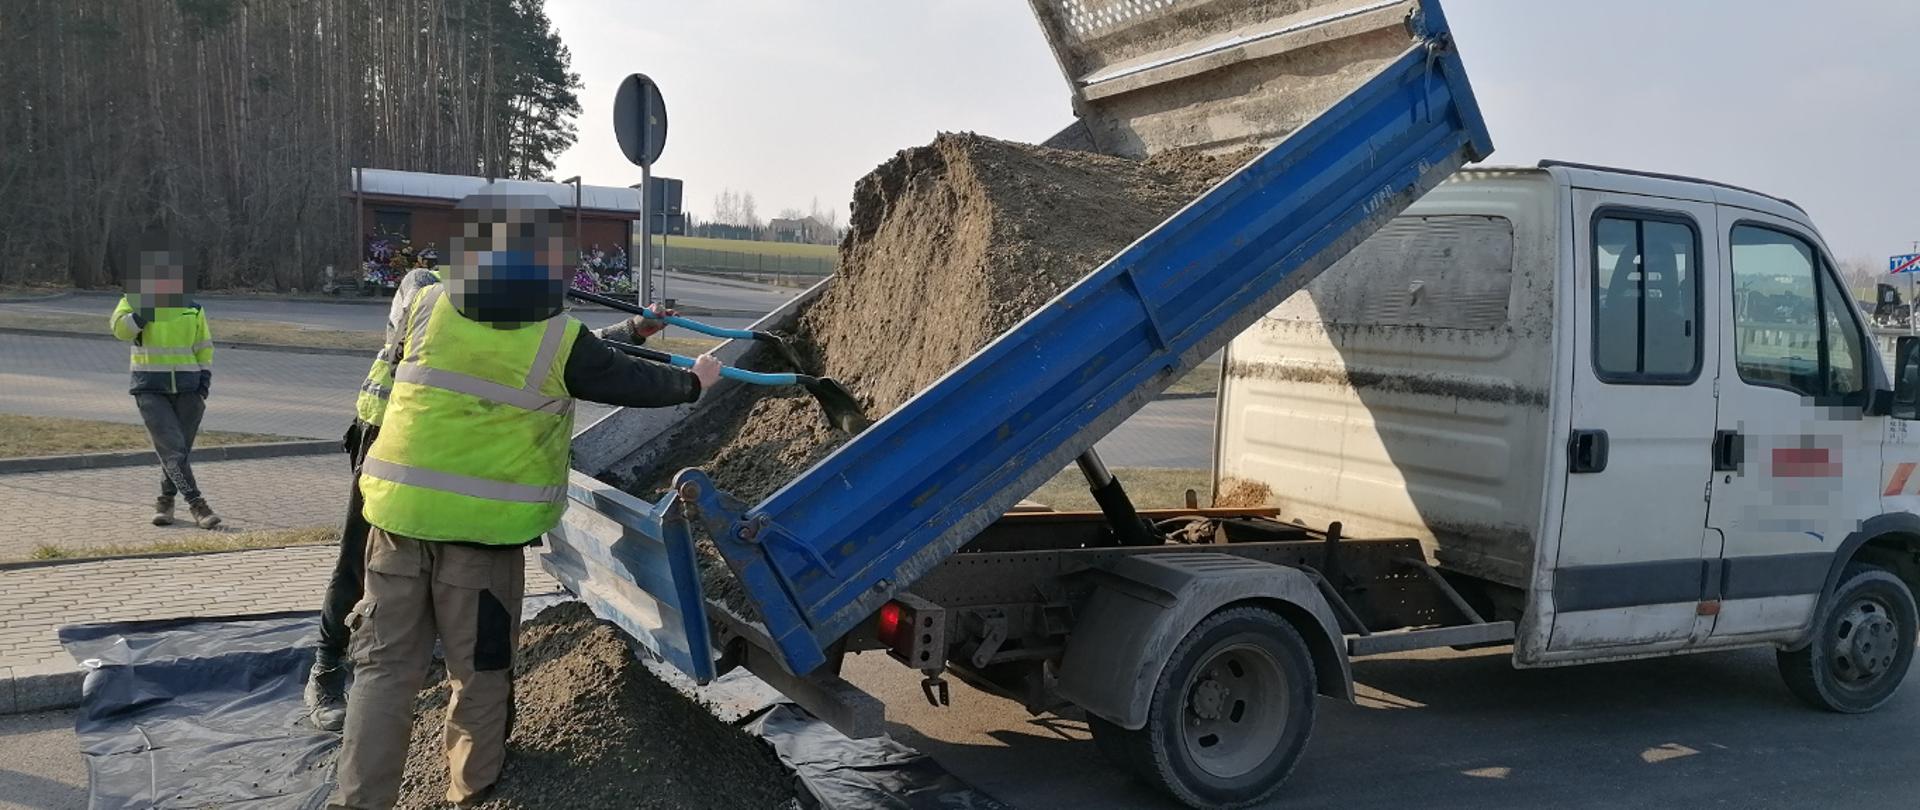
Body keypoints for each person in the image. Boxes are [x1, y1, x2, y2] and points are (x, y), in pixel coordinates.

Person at [327, 191, 722, 809]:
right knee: (479, 675)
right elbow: (623, 377)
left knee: (382, 674)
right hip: (480, 547)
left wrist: (634, 331)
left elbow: (542, 353)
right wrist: (694, 384)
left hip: (396, 525)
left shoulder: (428, 304)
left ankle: (357, 803)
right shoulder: (557, 337)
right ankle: (472, 791)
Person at [302, 261, 684, 732]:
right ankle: (327, 667)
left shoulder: (493, 300)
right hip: (389, 444)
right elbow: (535, 351)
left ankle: (420, 663)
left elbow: (560, 355)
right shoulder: (429, 290)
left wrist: (633, 329)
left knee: (435, 578)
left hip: (454, 457)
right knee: (359, 562)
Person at [109, 236, 221, 529]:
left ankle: (165, 501)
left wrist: (203, 382)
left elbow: (204, 346)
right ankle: (198, 505)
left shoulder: (192, 308)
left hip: (189, 389)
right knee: (172, 449)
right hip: (150, 388)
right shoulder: (131, 300)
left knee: (177, 452)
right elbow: (120, 330)